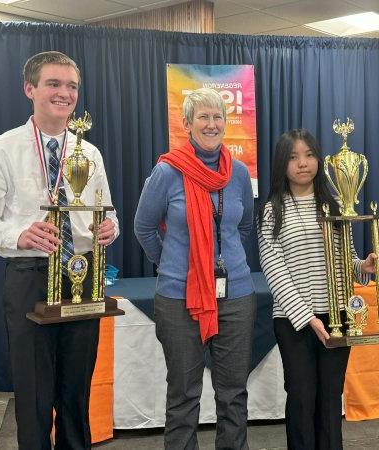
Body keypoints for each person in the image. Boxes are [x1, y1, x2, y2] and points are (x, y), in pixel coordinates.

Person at [0, 51, 119, 449]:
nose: (64, 93)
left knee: (76, 393)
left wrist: (109, 227)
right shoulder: (2, 149)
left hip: (81, 276)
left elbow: (106, 210)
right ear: (29, 88)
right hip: (30, 277)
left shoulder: (90, 152)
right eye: (54, 83)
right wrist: (19, 234)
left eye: (72, 86)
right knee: (33, 396)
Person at [134, 88, 255, 450]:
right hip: (178, 296)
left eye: (218, 116)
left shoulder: (238, 173)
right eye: (203, 116)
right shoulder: (167, 171)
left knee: (233, 394)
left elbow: (243, 226)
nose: (212, 123)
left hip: (236, 295)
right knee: (184, 394)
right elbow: (144, 227)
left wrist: (222, 262)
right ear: (187, 124)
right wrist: (174, 264)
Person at [257, 129, 379, 450]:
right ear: (282, 164)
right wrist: (306, 317)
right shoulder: (273, 210)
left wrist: (365, 267)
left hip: (337, 315)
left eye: (309, 155)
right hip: (294, 322)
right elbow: (274, 270)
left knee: (331, 397)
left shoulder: (331, 204)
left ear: (319, 159)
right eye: (293, 157)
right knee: (302, 396)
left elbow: (346, 259)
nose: (302, 163)